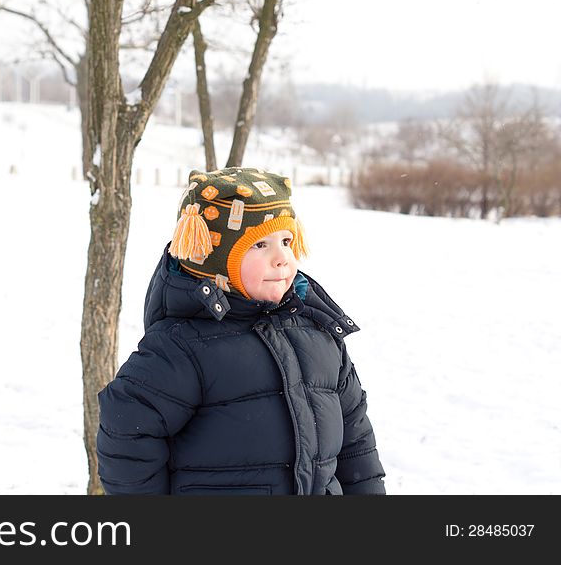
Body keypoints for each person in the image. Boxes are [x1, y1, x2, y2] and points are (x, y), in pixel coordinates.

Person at [97, 167, 386, 495]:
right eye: (260, 244)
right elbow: (127, 428)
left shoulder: (318, 330)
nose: (282, 258)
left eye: (286, 241)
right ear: (215, 261)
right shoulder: (182, 347)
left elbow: (356, 442)